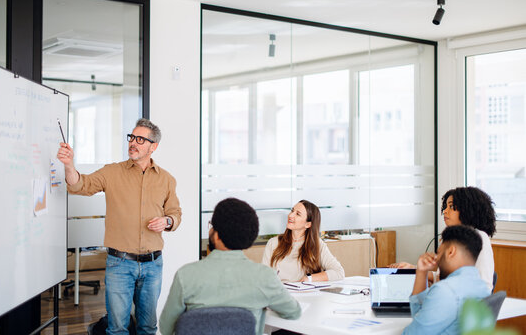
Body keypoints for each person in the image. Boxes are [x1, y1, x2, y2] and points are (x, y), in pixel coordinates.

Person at [57, 118, 181, 335]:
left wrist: (168, 221)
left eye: (140, 139)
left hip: (153, 265)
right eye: (132, 137)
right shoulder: (112, 172)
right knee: (117, 329)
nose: (133, 142)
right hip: (120, 264)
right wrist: (69, 165)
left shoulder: (167, 179)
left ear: (154, 146)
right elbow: (80, 186)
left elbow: (175, 213)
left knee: (148, 327)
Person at [159, 198, 301, 335]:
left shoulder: (186, 275)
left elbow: (166, 328)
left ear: (217, 236)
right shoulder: (265, 277)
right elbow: (294, 312)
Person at [390, 186, 496, 291]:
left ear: (468, 210)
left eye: (451, 207)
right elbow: (444, 278)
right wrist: (414, 269)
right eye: (445, 207)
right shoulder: (453, 239)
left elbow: (484, 286)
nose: (445, 211)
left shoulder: (480, 238)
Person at [403, 225, 491, 334]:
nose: (437, 259)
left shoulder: (446, 290)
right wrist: (421, 272)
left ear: (451, 252)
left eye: (439, 252)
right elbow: (420, 316)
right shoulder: (482, 287)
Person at [262, 200, 344, 282]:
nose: (291, 215)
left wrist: (309, 278)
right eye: (292, 211)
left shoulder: (317, 245)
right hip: (279, 293)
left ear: (307, 224)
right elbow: (264, 277)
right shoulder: (273, 243)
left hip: (305, 294)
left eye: (298, 214)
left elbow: (339, 272)